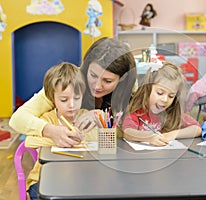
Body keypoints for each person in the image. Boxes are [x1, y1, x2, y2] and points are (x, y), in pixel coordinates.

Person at [9, 37, 137, 147]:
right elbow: (18, 119)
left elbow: (128, 131)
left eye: (107, 81)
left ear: (122, 79)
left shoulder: (128, 89)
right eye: (92, 75)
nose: (97, 86)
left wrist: (102, 120)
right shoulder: (70, 82)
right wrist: (51, 131)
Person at [25, 62, 97, 200]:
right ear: (53, 98)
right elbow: (30, 141)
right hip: (44, 179)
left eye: (77, 98)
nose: (71, 105)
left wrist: (84, 137)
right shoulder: (47, 119)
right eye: (64, 99)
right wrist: (57, 138)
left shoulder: (85, 116)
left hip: (79, 177)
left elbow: (96, 142)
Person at [122, 62, 202, 146]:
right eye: (160, 93)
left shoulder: (172, 114)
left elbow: (197, 129)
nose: (165, 99)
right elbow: (128, 132)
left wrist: (171, 135)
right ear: (148, 89)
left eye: (171, 96)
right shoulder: (137, 112)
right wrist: (149, 137)